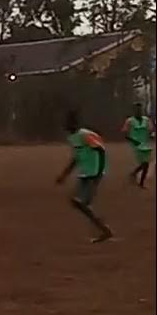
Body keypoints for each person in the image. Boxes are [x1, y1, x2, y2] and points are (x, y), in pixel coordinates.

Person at [55, 111, 114, 243]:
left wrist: (100, 170)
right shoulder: (72, 138)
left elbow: (101, 150)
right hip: (85, 173)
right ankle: (104, 229)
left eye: (69, 123)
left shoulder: (85, 135)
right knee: (79, 203)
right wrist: (64, 175)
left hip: (94, 173)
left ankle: (105, 229)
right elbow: (76, 158)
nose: (66, 126)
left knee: (80, 202)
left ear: (74, 124)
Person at [120, 102, 153, 189]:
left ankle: (134, 173)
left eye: (140, 109)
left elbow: (151, 131)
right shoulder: (130, 121)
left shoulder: (146, 120)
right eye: (136, 109)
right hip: (136, 145)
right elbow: (125, 134)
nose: (138, 111)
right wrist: (134, 141)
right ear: (134, 111)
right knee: (145, 164)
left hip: (145, 144)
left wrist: (152, 135)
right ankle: (141, 183)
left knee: (145, 163)